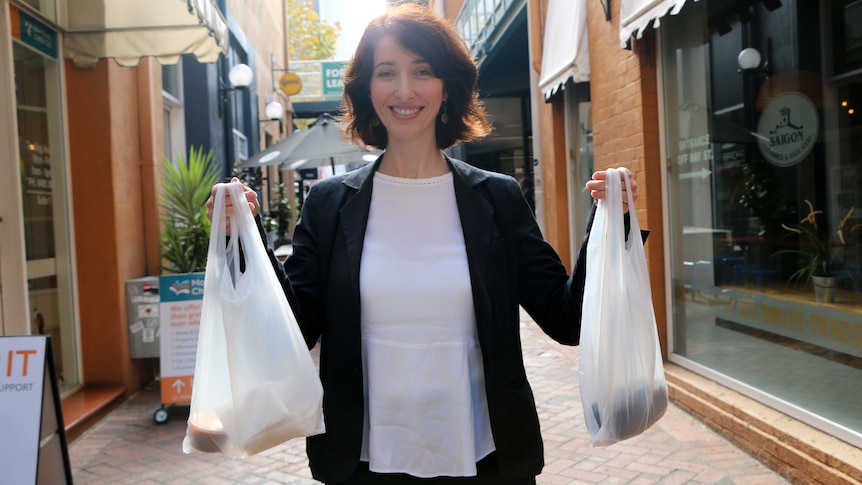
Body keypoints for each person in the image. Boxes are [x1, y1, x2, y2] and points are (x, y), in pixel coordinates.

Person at [207, 4, 638, 483]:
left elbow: (566, 319)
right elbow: (296, 329)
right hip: (362, 460)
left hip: (484, 455)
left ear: (447, 86)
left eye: (422, 72)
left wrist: (611, 224)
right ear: (367, 90)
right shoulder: (329, 204)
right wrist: (241, 241)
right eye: (386, 72)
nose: (405, 90)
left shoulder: (496, 198)